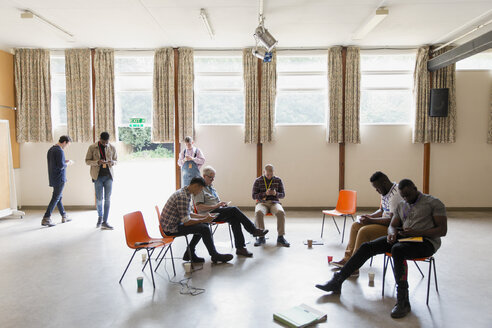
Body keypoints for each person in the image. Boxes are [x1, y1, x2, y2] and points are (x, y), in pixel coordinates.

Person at [315, 179, 447, 319]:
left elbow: (442, 231)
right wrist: (391, 233)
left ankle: (403, 300)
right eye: (403, 196)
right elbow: (392, 225)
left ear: (415, 188)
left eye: (408, 195)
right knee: (367, 247)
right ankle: (338, 280)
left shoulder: (433, 203)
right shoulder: (402, 204)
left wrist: (418, 233)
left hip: (425, 242)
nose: (406, 199)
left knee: (398, 250)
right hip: (405, 238)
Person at [332, 171, 403, 276]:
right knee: (355, 226)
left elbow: (391, 221)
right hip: (383, 223)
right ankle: (347, 260)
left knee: (364, 231)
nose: (376, 190)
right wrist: (370, 216)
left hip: (392, 229)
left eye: (377, 187)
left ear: (384, 182)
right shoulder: (385, 191)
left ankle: (353, 267)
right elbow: (381, 211)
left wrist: (371, 221)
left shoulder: (395, 195)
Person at [193, 166, 269, 257]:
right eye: (210, 177)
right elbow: (199, 207)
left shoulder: (211, 187)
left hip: (217, 210)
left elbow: (216, 202)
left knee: (234, 219)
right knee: (234, 209)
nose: (213, 180)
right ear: (204, 176)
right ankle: (252, 230)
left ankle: (240, 248)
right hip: (209, 214)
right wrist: (216, 205)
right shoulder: (199, 188)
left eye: (214, 177)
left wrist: (221, 204)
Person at [160, 177, 233, 263]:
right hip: (171, 229)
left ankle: (189, 253)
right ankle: (214, 255)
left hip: (174, 224)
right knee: (204, 228)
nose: (200, 192)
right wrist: (204, 219)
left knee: (203, 226)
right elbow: (186, 222)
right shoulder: (182, 197)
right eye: (201, 189)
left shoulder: (185, 193)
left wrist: (204, 217)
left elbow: (189, 214)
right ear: (196, 186)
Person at [85, 132, 117, 230]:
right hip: (97, 177)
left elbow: (116, 160)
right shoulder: (92, 147)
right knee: (99, 199)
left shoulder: (112, 147)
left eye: (106, 142)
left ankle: (105, 221)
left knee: (108, 199)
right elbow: (87, 161)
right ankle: (100, 216)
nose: (104, 144)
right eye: (103, 142)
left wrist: (112, 162)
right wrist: (97, 162)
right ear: (100, 139)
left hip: (108, 177)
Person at [252, 164, 289, 247]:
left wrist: (276, 194)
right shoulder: (258, 180)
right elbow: (253, 196)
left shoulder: (278, 180)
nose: (269, 176)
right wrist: (265, 193)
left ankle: (280, 236)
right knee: (258, 212)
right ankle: (261, 237)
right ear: (263, 172)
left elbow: (283, 195)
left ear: (273, 172)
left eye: (271, 174)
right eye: (268, 174)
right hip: (262, 203)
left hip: (274, 202)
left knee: (280, 212)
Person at [42, 135, 73, 227]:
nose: (66, 147)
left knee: (58, 197)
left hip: (53, 177)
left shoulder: (51, 150)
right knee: (56, 197)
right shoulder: (59, 151)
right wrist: (69, 163)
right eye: (67, 145)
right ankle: (46, 218)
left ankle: (64, 215)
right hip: (60, 178)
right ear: (64, 142)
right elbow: (61, 166)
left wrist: (64, 161)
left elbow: (56, 163)